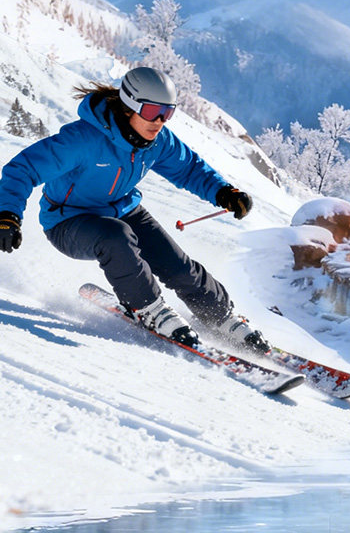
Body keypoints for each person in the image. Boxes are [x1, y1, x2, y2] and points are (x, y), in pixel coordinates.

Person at [0, 66, 266, 350]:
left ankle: (220, 316)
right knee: (115, 236)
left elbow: (189, 169)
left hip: (122, 209)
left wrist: (223, 192)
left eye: (168, 113)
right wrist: (8, 215)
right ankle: (149, 308)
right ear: (129, 106)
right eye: (152, 112)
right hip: (68, 220)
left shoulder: (158, 142)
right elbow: (23, 168)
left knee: (176, 263)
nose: (160, 122)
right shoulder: (83, 140)